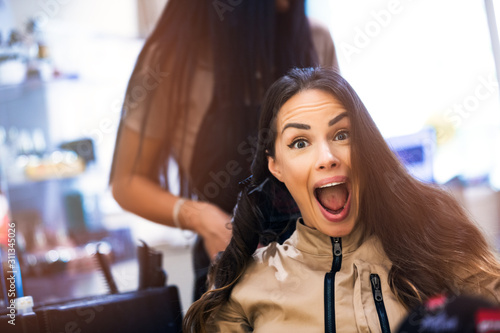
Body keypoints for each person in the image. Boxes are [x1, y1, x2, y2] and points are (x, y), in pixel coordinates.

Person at [183, 67, 500, 332]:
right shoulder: (245, 290)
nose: (327, 157)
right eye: (300, 142)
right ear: (275, 166)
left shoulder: (438, 248)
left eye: (341, 135)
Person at [110, 0, 338, 301]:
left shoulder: (313, 39)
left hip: (319, 267)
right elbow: (126, 183)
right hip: (228, 275)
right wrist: (199, 217)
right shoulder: (171, 59)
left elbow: (341, 150)